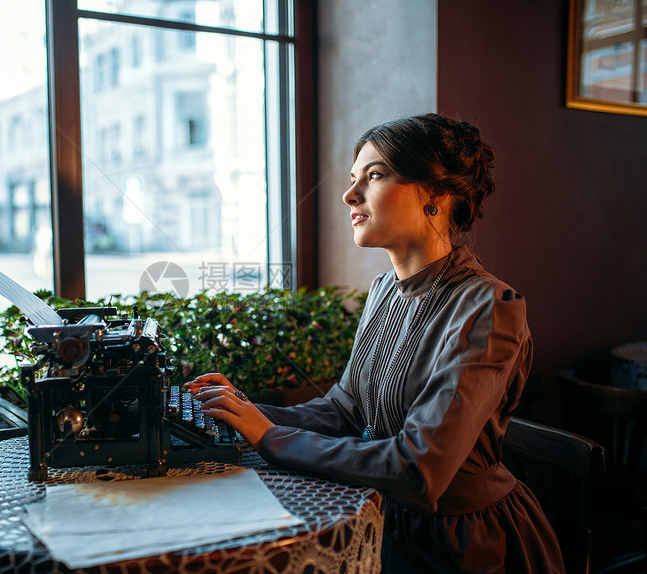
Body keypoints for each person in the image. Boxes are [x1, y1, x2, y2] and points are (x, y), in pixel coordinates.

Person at [186, 113, 565, 573]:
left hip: (461, 545)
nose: (350, 195)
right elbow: (345, 410)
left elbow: (418, 468)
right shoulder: (385, 289)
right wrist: (244, 412)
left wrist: (270, 437)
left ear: (437, 194)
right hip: (385, 520)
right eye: (352, 179)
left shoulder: (489, 306)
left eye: (375, 175)